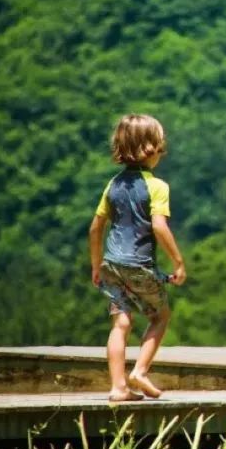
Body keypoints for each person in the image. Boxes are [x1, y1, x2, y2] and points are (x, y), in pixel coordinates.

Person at [88, 114, 187, 401]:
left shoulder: (113, 185)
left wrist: (96, 266)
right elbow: (159, 227)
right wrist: (178, 262)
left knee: (120, 324)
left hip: (111, 264)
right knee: (160, 316)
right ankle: (140, 372)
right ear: (151, 149)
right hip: (138, 265)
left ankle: (118, 387)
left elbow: (96, 227)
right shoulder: (157, 186)